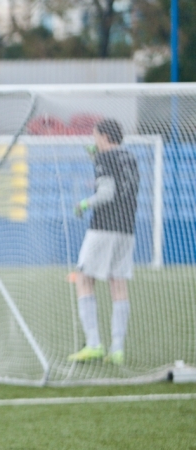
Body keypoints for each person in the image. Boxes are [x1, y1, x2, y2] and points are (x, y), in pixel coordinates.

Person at [69, 118, 139, 365]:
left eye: (95, 136)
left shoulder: (104, 158)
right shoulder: (130, 157)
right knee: (118, 283)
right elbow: (117, 180)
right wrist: (95, 157)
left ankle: (94, 344)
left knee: (84, 278)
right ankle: (117, 349)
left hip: (104, 227)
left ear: (105, 137)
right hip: (126, 229)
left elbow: (107, 192)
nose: (93, 141)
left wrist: (84, 203)